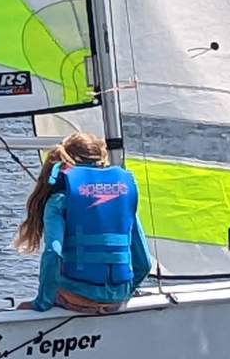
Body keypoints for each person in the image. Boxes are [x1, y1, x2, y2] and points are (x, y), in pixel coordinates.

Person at [14, 133, 152, 314]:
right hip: (118, 299)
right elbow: (144, 264)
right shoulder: (123, 195)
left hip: (76, 299)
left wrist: (42, 303)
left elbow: (53, 253)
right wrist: (123, 293)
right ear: (103, 160)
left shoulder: (59, 200)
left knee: (21, 307)